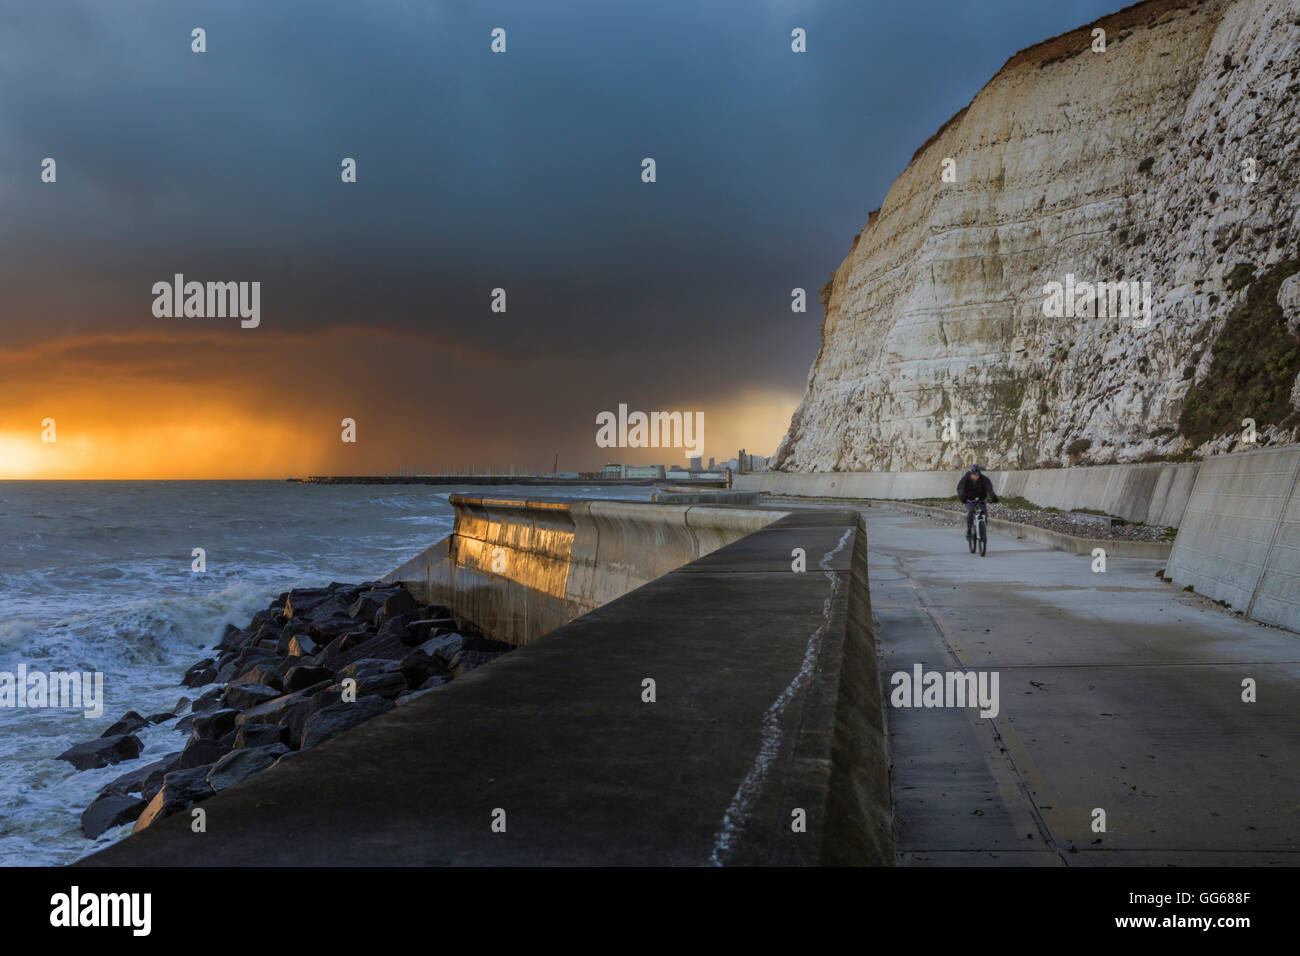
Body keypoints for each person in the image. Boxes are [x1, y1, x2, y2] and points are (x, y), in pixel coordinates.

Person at [957, 464, 998, 540]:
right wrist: (962, 497)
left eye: (977, 475)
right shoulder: (965, 478)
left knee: (984, 513)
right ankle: (969, 531)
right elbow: (960, 488)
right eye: (974, 475)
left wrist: (994, 497)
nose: (976, 476)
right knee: (971, 510)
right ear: (970, 473)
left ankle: (982, 530)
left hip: (981, 499)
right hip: (968, 499)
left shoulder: (984, 479)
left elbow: (990, 489)